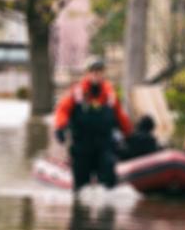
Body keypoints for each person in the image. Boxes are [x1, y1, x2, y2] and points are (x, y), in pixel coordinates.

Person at [53, 60, 132, 190]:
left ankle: (107, 207)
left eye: (99, 72)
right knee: (81, 186)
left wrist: (129, 134)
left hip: (104, 145)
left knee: (108, 180)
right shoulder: (77, 93)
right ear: (88, 74)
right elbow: (62, 110)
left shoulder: (110, 95)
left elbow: (120, 116)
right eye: (94, 72)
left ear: (103, 74)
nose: (97, 75)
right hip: (82, 145)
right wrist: (60, 127)